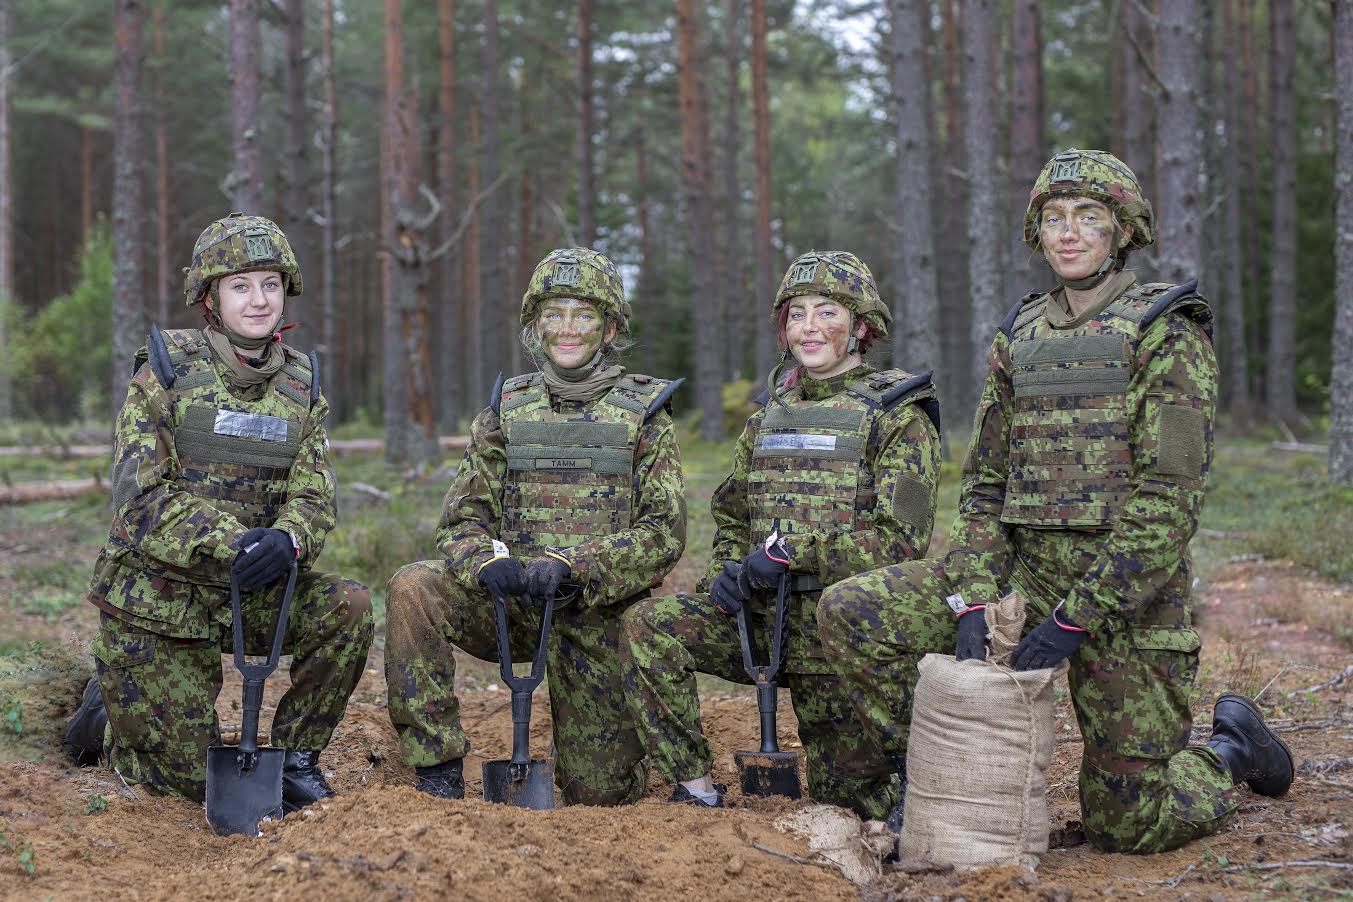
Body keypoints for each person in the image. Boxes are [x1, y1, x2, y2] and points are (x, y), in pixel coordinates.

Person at [816, 149, 1293, 851]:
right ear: (1036, 232)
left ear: (1122, 230)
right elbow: (984, 483)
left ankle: (1229, 752)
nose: (1067, 233)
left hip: (1127, 596)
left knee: (1132, 825)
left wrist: (1078, 618)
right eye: (1052, 218)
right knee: (854, 611)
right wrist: (974, 598)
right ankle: (924, 785)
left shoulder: (1166, 328)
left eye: (1088, 218)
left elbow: (1168, 500)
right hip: (1024, 577)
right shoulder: (1020, 333)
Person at [63, 213, 373, 812]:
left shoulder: (302, 385)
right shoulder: (166, 373)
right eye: (241, 285)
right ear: (210, 298)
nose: (259, 300)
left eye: (271, 284)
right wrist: (231, 541)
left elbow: (315, 491)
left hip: (253, 589)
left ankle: (296, 758)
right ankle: (106, 712)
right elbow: (139, 498)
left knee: (350, 606)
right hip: (162, 595)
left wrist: (290, 539)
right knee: (183, 783)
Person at [621, 251, 942, 817]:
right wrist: (731, 571)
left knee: (851, 804)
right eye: (797, 314)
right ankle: (692, 787)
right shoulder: (769, 414)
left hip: (840, 637)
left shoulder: (898, 414)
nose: (809, 327)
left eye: (827, 312)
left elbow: (900, 542)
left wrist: (793, 554)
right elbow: (731, 511)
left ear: (862, 326)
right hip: (761, 624)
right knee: (651, 626)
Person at [385, 247, 686, 805]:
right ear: (534, 326)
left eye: (583, 314)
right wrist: (487, 561)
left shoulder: (644, 413)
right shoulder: (507, 408)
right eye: (553, 314)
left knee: (600, 795)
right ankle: (437, 766)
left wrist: (577, 565)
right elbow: (460, 517)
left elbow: (663, 533)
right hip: (513, 605)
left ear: (611, 325)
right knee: (413, 587)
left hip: (595, 614)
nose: (567, 329)